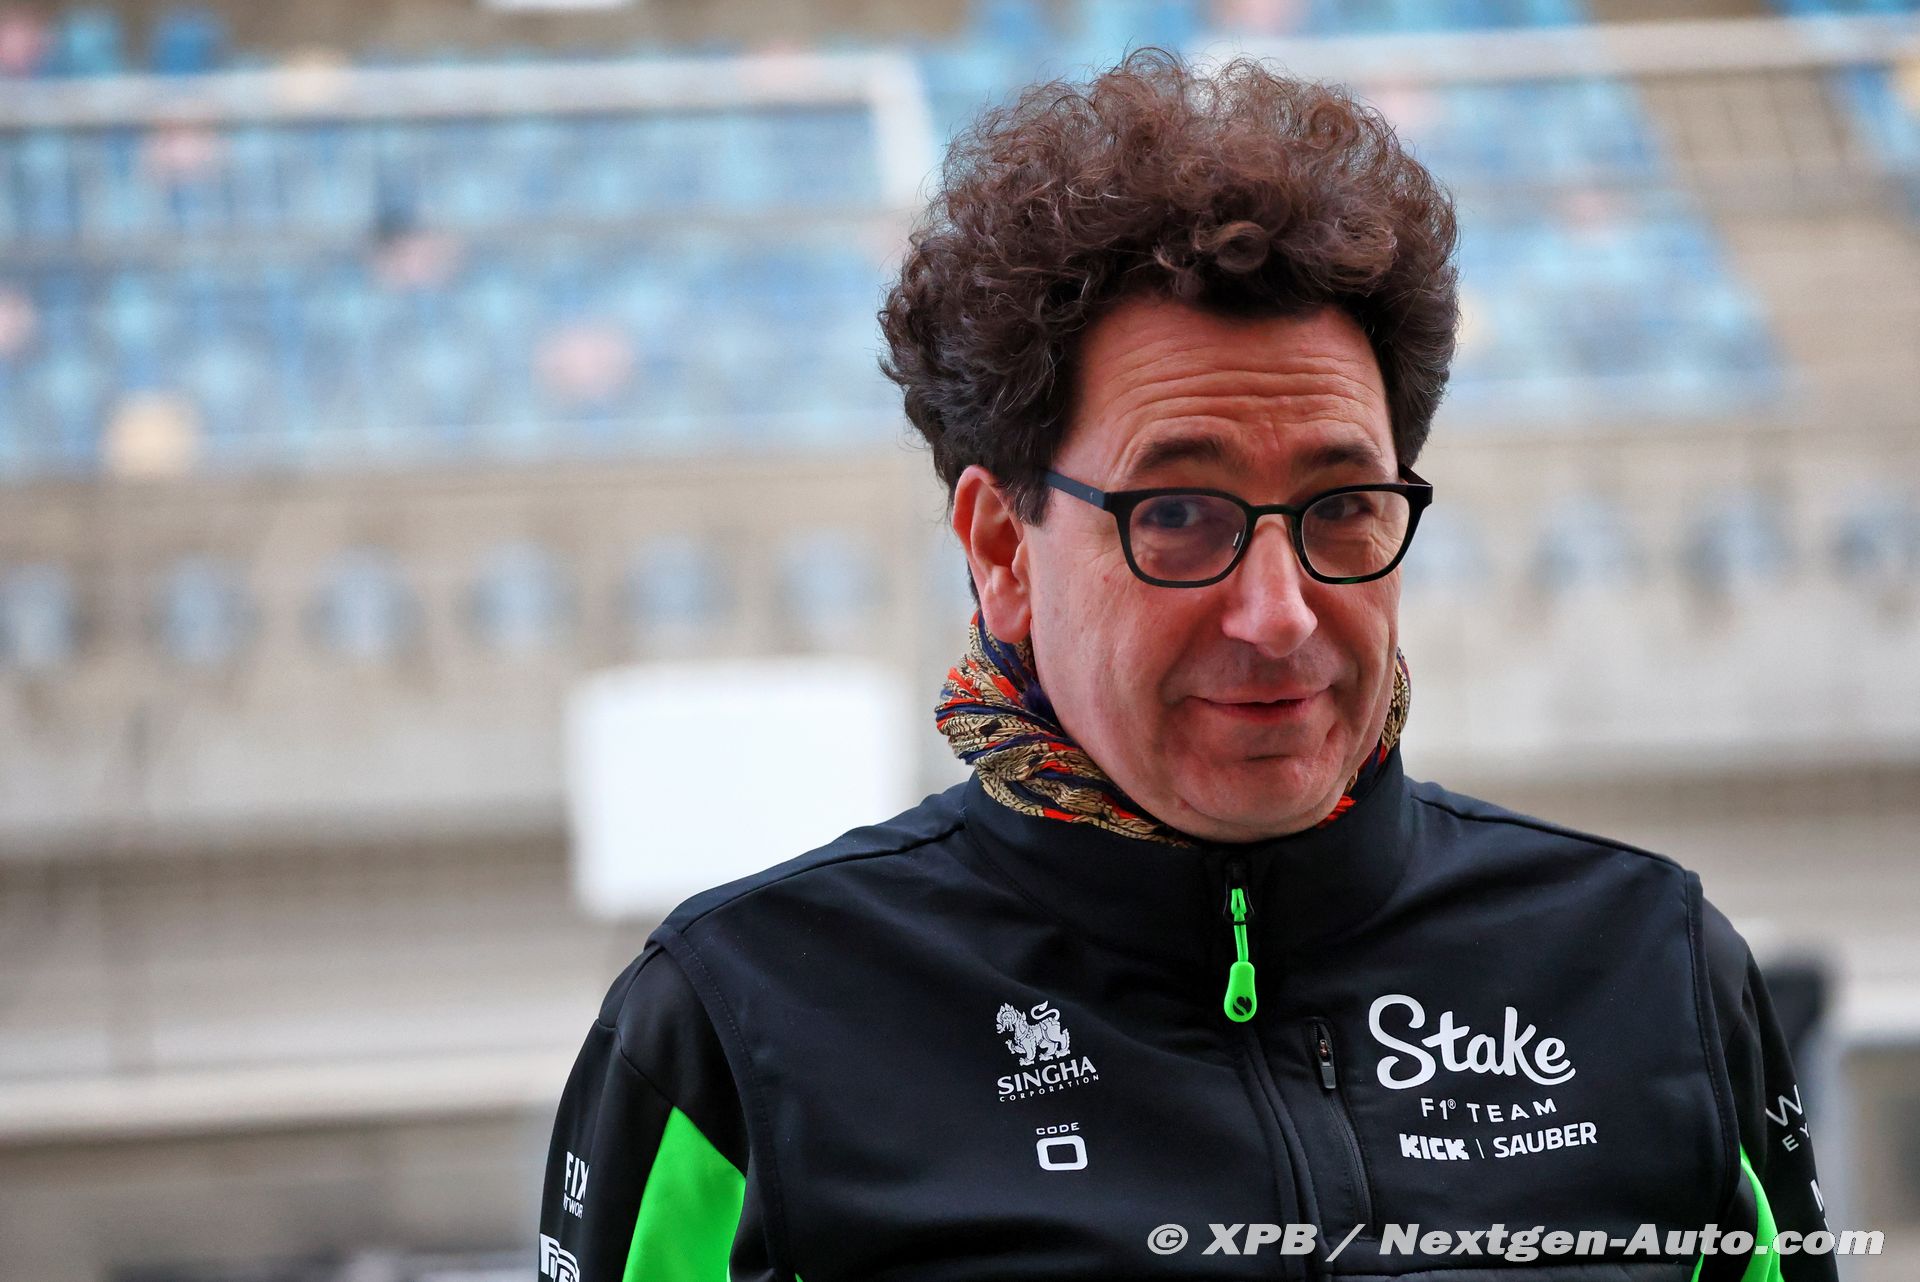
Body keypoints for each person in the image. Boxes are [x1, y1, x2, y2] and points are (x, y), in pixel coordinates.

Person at [537, 50, 1836, 1282]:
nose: (1279, 615)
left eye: (1342, 506)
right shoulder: (735, 1032)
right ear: (1002, 548)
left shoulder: (1655, 971)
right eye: (1176, 515)